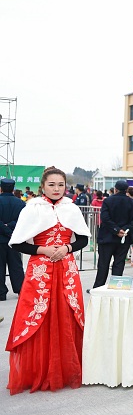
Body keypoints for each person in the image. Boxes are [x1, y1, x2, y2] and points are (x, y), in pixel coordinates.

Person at [6, 166, 90, 394]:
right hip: (40, 270)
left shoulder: (71, 208)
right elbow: (17, 243)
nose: (56, 189)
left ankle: (67, 368)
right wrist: (42, 249)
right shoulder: (32, 208)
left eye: (60, 185)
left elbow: (83, 239)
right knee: (37, 315)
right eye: (51, 185)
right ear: (42, 186)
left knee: (67, 313)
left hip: (67, 269)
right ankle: (38, 371)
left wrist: (67, 248)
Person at [91, 180, 133, 289]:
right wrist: (125, 229)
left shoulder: (108, 201)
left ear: (115, 189)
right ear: (126, 190)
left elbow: (105, 218)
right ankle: (115, 287)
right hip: (125, 238)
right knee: (119, 263)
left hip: (107, 237)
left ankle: (98, 287)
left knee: (103, 264)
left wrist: (116, 230)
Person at [0, 178, 26, 301]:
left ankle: (1, 293)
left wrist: (5, 228)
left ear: (1, 188)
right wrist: (10, 228)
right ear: (13, 188)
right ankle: (20, 289)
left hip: (0, 239)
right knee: (16, 266)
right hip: (14, 239)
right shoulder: (21, 203)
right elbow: (22, 221)